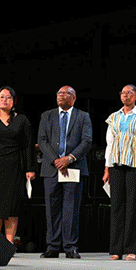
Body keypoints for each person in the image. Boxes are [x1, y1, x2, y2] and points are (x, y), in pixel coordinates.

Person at [38, 85, 92, 258]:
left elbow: (86, 141)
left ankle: (70, 247)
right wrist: (56, 160)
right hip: (52, 168)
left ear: (74, 98)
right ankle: (52, 246)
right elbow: (42, 140)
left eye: (65, 93)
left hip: (73, 167)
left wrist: (69, 158)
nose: (61, 95)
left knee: (72, 208)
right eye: (59, 93)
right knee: (52, 209)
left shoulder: (83, 116)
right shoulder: (47, 116)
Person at [0, 86, 35, 244]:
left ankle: (8, 246)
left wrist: (30, 168)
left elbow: (28, 146)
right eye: (1, 97)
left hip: (15, 168)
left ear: (13, 101)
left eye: (8, 97)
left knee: (11, 210)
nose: (5, 100)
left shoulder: (21, 120)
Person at [103, 84, 136, 261]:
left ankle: (131, 248)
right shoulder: (114, 117)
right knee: (116, 206)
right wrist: (106, 168)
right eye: (123, 93)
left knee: (132, 206)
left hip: (134, 166)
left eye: (129, 93)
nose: (125, 95)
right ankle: (116, 248)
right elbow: (109, 144)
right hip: (116, 164)